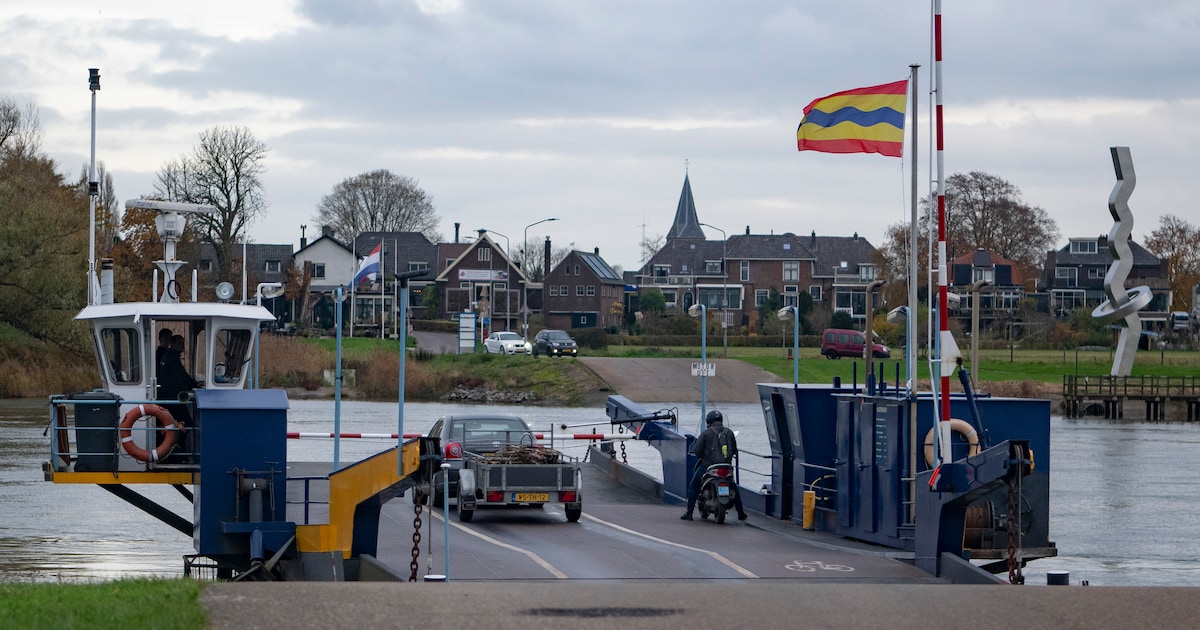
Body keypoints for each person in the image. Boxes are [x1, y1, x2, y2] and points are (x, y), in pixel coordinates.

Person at [681, 410, 747, 521]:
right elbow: (734, 450)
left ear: (709, 421)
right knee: (733, 487)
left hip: (708, 467)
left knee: (694, 486)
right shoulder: (729, 432)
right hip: (726, 467)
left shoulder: (706, 433)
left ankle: (689, 513)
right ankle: (741, 513)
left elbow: (697, 450)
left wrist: (703, 457)